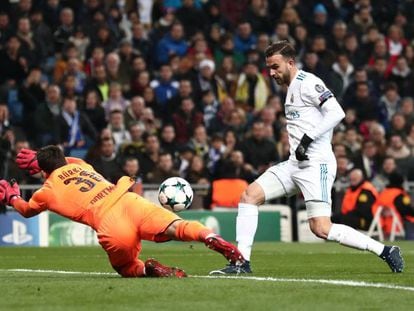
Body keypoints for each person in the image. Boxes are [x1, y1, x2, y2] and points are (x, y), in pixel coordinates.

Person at [211, 41, 404, 275]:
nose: (271, 73)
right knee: (249, 195)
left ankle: (385, 250)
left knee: (321, 228)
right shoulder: (290, 86)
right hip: (295, 163)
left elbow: (336, 112)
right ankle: (241, 263)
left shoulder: (309, 83)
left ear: (291, 63)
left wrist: (306, 139)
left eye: (275, 66)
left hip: (317, 165)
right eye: (269, 68)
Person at [0, 145, 244, 278]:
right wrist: (41, 158)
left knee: (126, 268)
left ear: (42, 170)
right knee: (177, 227)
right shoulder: (82, 165)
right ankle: (212, 238)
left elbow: (26, 210)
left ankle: (148, 269)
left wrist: (12, 197)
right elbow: (68, 161)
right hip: (128, 200)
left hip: (109, 224)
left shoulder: (46, 190)